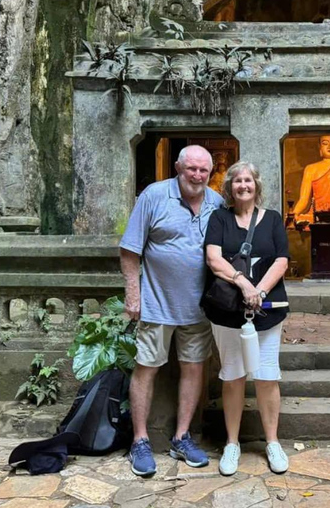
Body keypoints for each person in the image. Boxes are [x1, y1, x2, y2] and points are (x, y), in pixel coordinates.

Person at [119, 145, 224, 477]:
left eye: (203, 170)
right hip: (156, 303)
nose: (196, 175)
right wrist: (133, 297)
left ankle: (181, 437)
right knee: (146, 368)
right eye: (191, 168)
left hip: (199, 308)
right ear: (178, 167)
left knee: (194, 369)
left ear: (211, 172)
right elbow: (129, 251)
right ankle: (139, 440)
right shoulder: (154, 196)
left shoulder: (216, 202)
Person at [202, 161, 290, 476]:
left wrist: (260, 291)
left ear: (257, 186)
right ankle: (232, 443)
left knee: (267, 375)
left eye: (248, 180)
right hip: (227, 312)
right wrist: (243, 282)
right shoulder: (219, 219)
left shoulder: (273, 220)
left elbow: (281, 260)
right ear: (229, 187)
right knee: (233, 374)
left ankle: (272, 442)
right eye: (237, 181)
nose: (243, 185)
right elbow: (213, 259)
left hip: (267, 310)